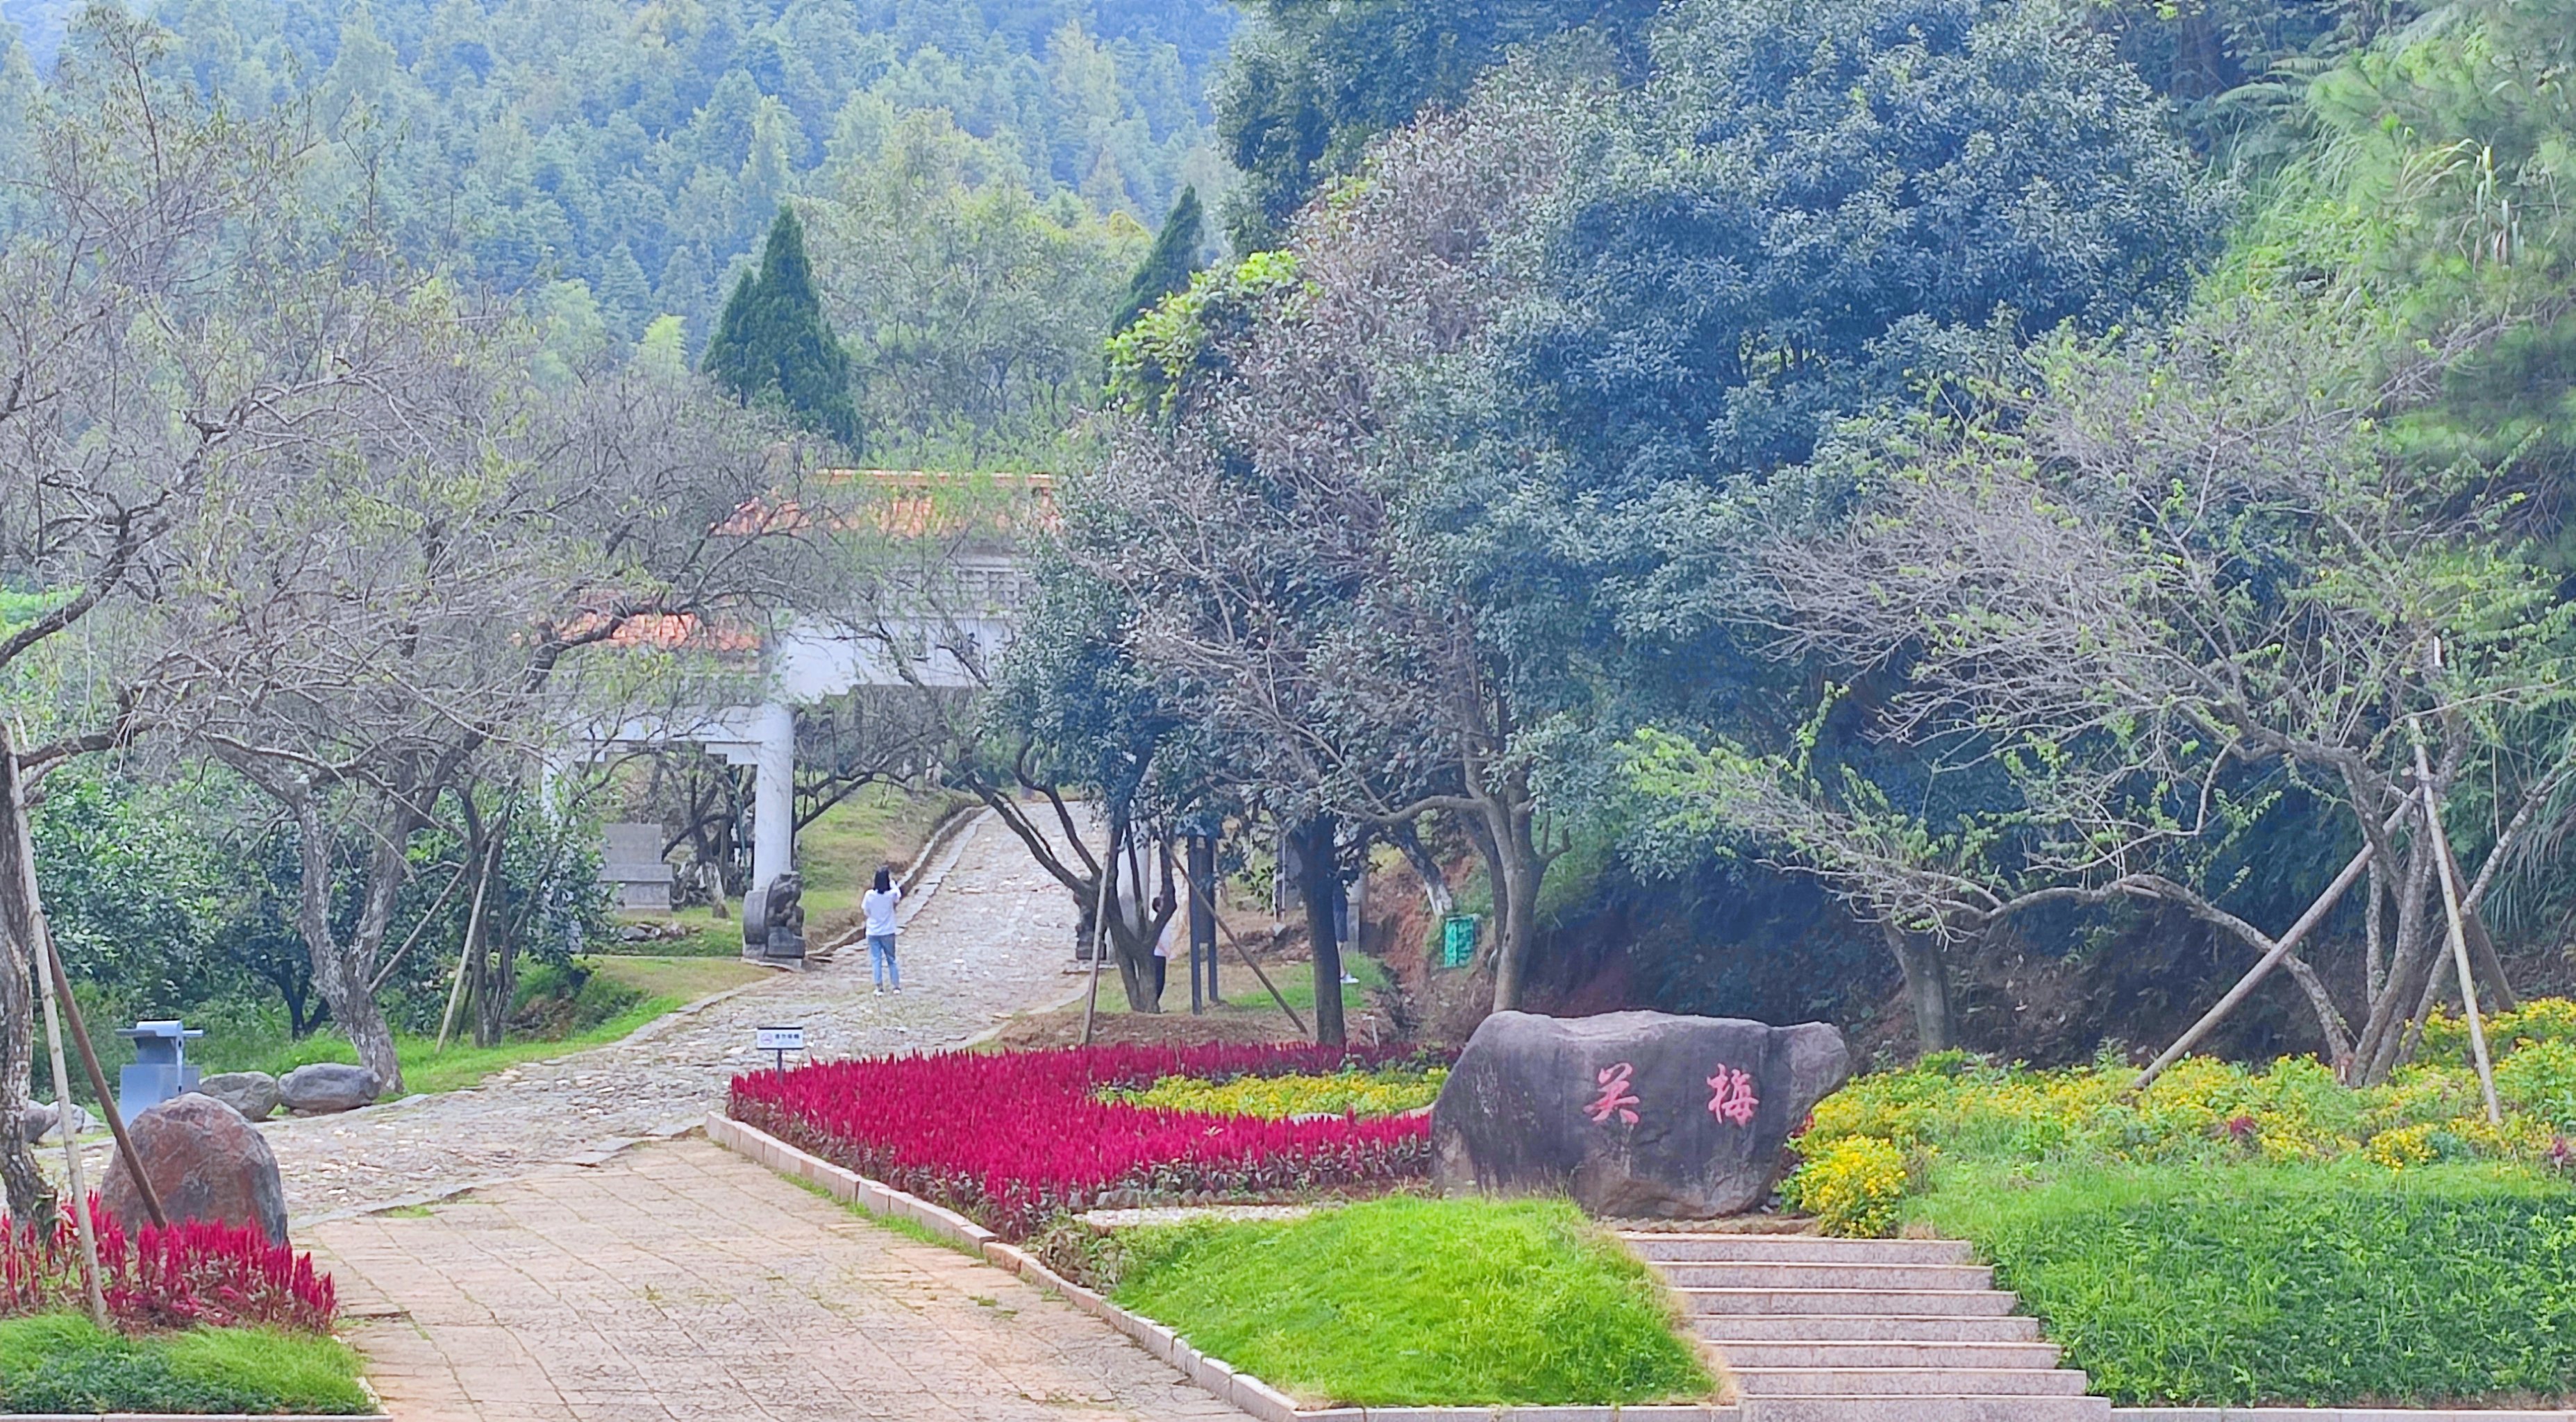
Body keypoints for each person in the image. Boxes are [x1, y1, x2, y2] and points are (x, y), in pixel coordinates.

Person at [862, 867, 901, 994]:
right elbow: (898, 896)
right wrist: (893, 884)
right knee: (891, 959)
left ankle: (879, 987)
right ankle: (895, 986)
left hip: (873, 931)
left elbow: (866, 911)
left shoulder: (869, 895)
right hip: (888, 931)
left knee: (876, 959)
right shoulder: (891, 895)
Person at [1151, 892, 1178, 1010]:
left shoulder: (1164, 921)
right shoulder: (1156, 920)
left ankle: (1155, 1004)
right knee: (1158, 981)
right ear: (1158, 907)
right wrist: (1167, 952)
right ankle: (1153, 1003)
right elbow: (1156, 940)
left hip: (1161, 954)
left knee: (1161, 981)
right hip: (1158, 954)